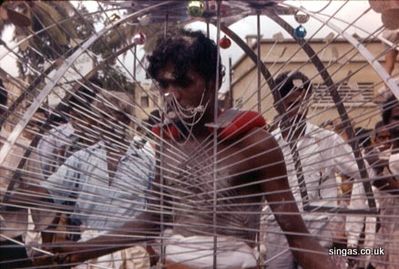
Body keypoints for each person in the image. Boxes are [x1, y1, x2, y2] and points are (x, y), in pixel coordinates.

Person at [34, 29, 336, 269]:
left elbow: (297, 236)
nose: (172, 95)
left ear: (215, 80)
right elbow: (154, 218)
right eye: (164, 85)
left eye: (183, 83)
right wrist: (83, 249)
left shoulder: (254, 143)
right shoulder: (168, 143)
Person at [264, 71, 366, 268]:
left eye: (302, 103)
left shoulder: (327, 140)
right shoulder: (269, 143)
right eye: (290, 103)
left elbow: (364, 174)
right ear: (277, 103)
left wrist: (347, 223)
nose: (298, 110)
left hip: (319, 226)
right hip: (278, 225)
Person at [41, 91, 154, 268]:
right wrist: (7, 197)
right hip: (88, 250)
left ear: (126, 120)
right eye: (103, 116)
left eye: (115, 116)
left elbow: (156, 208)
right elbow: (48, 191)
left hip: (132, 252)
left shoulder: (147, 158)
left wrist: (151, 246)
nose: (108, 122)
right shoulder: (82, 157)